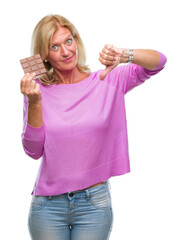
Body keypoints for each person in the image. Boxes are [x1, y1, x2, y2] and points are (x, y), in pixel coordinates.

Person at [20, 14, 167, 240]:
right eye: (55, 47)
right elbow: (33, 151)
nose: (66, 52)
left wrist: (125, 55)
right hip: (47, 207)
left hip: (94, 204)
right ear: (44, 55)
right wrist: (35, 103)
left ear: (76, 40)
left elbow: (159, 62)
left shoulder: (107, 79)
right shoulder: (38, 91)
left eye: (68, 41)